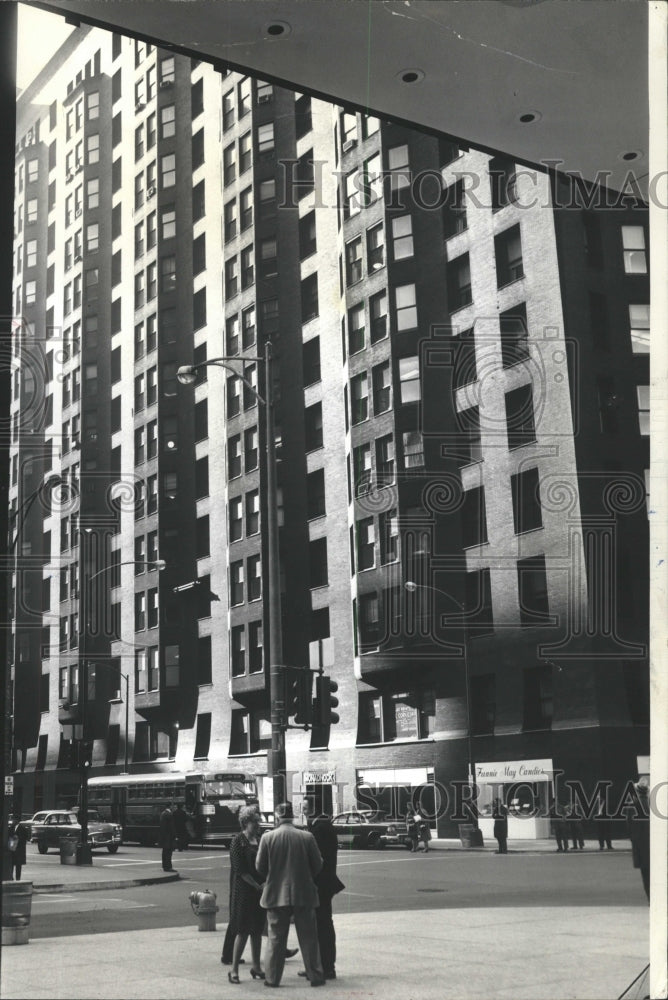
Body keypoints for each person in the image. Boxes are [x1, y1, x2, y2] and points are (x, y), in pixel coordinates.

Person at [255, 801, 325, 988]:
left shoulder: (268, 838)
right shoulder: (306, 837)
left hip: (276, 893)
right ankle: (315, 975)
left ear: (277, 817)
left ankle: (272, 978)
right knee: (309, 937)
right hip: (304, 892)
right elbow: (318, 865)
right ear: (292, 816)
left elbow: (260, 867)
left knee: (276, 939)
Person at [300, 808, 345, 981]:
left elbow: (316, 859)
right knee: (320, 925)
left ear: (314, 807)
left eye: (305, 808)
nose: (303, 811)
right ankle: (318, 965)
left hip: (320, 886)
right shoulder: (323, 826)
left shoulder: (320, 828)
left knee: (321, 926)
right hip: (324, 885)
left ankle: (325, 967)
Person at [227, 807, 266, 984]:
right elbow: (239, 869)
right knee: (242, 930)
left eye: (258, 821)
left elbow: (266, 863)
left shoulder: (259, 840)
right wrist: (256, 885)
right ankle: (234, 969)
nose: (258, 825)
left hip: (259, 890)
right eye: (254, 822)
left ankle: (256, 966)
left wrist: (264, 882)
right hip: (244, 891)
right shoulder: (237, 841)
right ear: (245, 823)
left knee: (257, 930)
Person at [628, 776, 650, 901]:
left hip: (640, 844)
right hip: (654, 844)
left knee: (645, 874)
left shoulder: (632, 805)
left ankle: (650, 899)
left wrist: (634, 839)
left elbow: (629, 826)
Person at [8, 816, 28, 881]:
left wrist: (17, 838)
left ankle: (18, 878)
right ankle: (11, 877)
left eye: (13, 819)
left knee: (18, 866)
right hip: (12, 849)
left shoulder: (22, 829)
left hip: (19, 850)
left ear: (17, 820)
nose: (12, 821)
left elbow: (25, 838)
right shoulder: (11, 828)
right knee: (11, 865)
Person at [159, 802, 177, 872]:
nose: (174, 807)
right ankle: (168, 867)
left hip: (164, 836)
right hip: (169, 837)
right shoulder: (169, 814)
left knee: (165, 852)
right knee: (169, 853)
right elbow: (172, 827)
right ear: (170, 806)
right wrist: (174, 835)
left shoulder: (163, 813)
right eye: (173, 806)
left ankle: (165, 866)